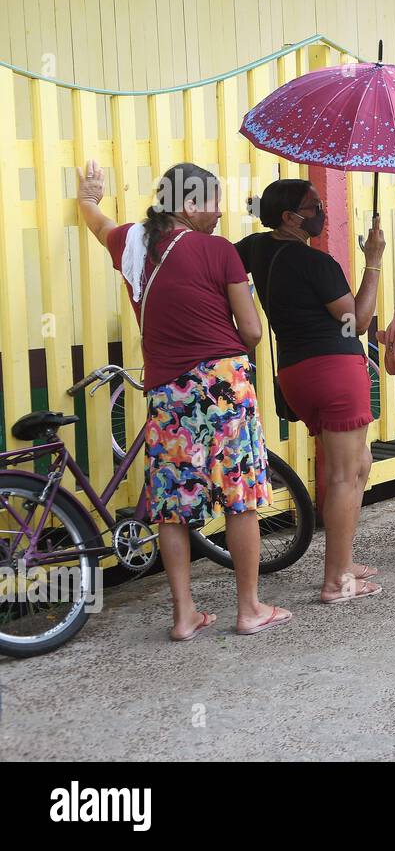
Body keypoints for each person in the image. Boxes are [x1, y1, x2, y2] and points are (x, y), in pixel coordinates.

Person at [75, 160, 291, 639]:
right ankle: (249, 608)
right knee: (239, 499)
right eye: (213, 203)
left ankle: (183, 615)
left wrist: (88, 196)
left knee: (171, 504)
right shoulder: (219, 252)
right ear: (190, 205)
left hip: (167, 392)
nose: (219, 214)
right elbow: (252, 331)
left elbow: (97, 221)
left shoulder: (132, 243)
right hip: (222, 385)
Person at [236, 179, 384, 605]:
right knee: (344, 474)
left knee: (359, 464)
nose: (321, 210)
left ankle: (344, 560)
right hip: (335, 369)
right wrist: (372, 261)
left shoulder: (255, 249)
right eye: (313, 206)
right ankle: (337, 579)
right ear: (289, 217)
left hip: (296, 372)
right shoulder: (317, 264)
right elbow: (356, 322)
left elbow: (223, 269)